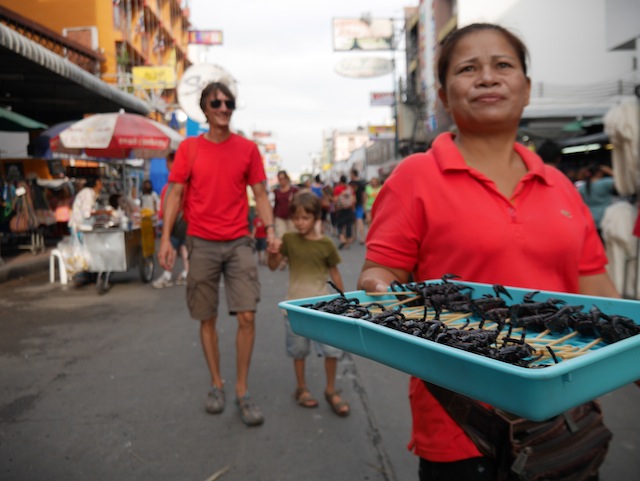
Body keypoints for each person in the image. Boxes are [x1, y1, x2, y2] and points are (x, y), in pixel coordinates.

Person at [357, 23, 620, 481]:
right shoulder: (415, 177)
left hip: (564, 415)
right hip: (461, 427)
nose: (487, 77)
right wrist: (378, 290)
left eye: (503, 65)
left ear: (527, 87)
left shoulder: (560, 185)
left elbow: (597, 291)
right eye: (467, 68)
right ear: (442, 95)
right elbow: (380, 272)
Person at [157, 81, 276, 427]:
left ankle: (242, 389)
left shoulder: (247, 149)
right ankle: (216, 383)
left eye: (229, 102)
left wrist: (271, 233)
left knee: (248, 316)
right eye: (217, 102)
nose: (224, 107)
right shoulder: (190, 149)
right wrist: (166, 239)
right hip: (201, 242)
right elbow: (175, 195)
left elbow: (261, 194)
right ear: (205, 109)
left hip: (239, 240)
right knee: (205, 317)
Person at [267, 191, 350, 416]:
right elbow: (274, 265)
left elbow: (334, 272)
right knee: (299, 352)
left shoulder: (326, 244)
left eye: (305, 218)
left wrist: (344, 302)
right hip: (295, 309)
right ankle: (301, 388)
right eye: (296, 218)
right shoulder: (289, 240)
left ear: (315, 217)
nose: (300, 222)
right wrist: (271, 253)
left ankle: (331, 390)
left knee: (332, 351)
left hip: (324, 309)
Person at [152, 152, 189, 288]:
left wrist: (166, 224)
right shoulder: (178, 182)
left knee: (172, 248)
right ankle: (186, 273)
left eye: (168, 162)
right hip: (183, 221)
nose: (166, 166)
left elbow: (173, 202)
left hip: (176, 222)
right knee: (184, 248)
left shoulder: (175, 183)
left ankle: (168, 275)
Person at [578, 164, 617, 239]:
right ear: (599, 173)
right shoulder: (606, 183)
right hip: (606, 218)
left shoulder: (582, 187)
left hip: (590, 219)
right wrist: (609, 171)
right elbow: (623, 182)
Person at [273, 170, 298, 269]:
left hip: (292, 218)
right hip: (280, 218)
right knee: (281, 238)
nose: (281, 181)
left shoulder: (294, 191)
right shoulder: (277, 191)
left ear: (287, 179)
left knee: (292, 239)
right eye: (280, 179)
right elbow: (275, 205)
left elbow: (300, 203)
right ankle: (283, 259)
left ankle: (291, 258)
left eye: (283, 179)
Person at [332, 175, 355, 250]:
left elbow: (335, 200)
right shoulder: (350, 188)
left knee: (340, 226)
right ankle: (347, 244)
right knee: (348, 226)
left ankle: (343, 240)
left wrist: (335, 207)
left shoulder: (337, 189)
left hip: (340, 210)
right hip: (349, 209)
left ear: (340, 180)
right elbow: (354, 200)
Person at [349, 169, 366, 244]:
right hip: (359, 204)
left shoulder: (350, 183)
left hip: (352, 204)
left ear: (353, 174)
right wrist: (364, 204)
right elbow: (364, 194)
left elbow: (349, 194)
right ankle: (362, 238)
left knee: (354, 222)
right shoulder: (361, 183)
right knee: (360, 221)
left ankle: (354, 237)